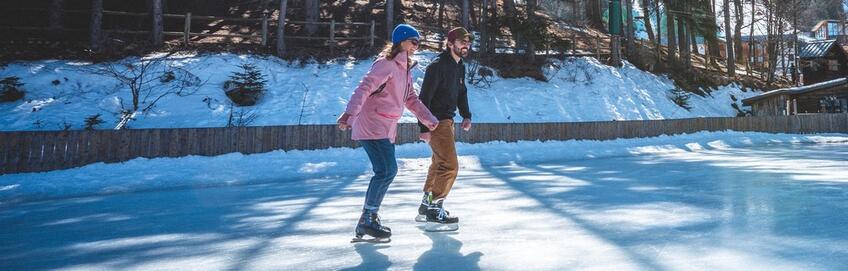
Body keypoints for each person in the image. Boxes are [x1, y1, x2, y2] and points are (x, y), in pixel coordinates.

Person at [338, 24, 439, 242]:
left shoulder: (405, 70)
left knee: (385, 171)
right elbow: (364, 88)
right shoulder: (386, 64)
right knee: (387, 170)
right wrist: (349, 114)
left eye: (418, 43)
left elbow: (410, 98)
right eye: (414, 41)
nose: (416, 46)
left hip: (385, 127)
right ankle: (368, 218)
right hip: (372, 124)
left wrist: (428, 119)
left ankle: (368, 218)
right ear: (401, 41)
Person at [415, 27, 473, 231]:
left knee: (439, 164)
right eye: (461, 41)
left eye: (467, 41)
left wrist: (466, 114)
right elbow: (424, 99)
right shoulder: (437, 66)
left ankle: (425, 204)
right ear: (450, 44)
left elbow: (461, 91)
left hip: (448, 121)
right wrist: (424, 126)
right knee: (449, 165)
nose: (465, 45)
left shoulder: (459, 66)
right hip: (435, 121)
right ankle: (434, 208)